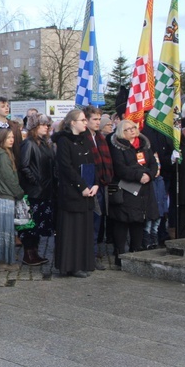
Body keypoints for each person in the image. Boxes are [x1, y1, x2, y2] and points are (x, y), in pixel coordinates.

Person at [51, 109, 97, 277]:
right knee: (72, 230)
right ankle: (70, 265)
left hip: (87, 192)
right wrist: (81, 186)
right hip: (71, 192)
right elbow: (66, 167)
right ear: (72, 123)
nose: (86, 122)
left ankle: (83, 263)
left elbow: (92, 162)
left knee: (83, 229)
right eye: (82, 120)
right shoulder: (64, 141)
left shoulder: (85, 140)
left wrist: (95, 184)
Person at [107, 120, 158, 266]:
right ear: (121, 132)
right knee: (122, 222)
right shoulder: (117, 147)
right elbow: (119, 167)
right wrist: (138, 176)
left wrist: (149, 175)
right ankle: (119, 253)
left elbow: (153, 163)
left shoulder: (144, 145)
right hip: (126, 189)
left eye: (134, 128)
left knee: (138, 221)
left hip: (144, 189)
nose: (132, 131)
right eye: (127, 129)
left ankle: (136, 250)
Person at [19, 114, 56, 267]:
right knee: (30, 225)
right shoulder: (29, 143)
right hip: (34, 192)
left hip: (45, 191)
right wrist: (36, 182)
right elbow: (24, 166)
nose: (46, 127)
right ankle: (29, 253)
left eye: (47, 125)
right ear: (34, 127)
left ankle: (34, 252)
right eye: (43, 124)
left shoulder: (45, 143)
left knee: (38, 224)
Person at [0, 129, 25, 270]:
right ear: (1, 139)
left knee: (2, 231)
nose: (12, 139)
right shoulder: (2, 156)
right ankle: (3, 261)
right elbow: (9, 179)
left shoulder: (1, 153)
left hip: (2, 197)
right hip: (5, 198)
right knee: (5, 231)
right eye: (8, 137)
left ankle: (2, 260)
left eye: (12, 137)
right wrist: (19, 192)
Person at [83, 106, 113, 271]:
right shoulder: (84, 138)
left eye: (98, 119)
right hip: (90, 186)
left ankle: (94, 254)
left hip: (102, 184)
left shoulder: (100, 137)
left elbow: (105, 161)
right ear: (85, 120)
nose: (98, 122)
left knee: (98, 223)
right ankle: (90, 256)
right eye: (94, 119)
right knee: (92, 223)